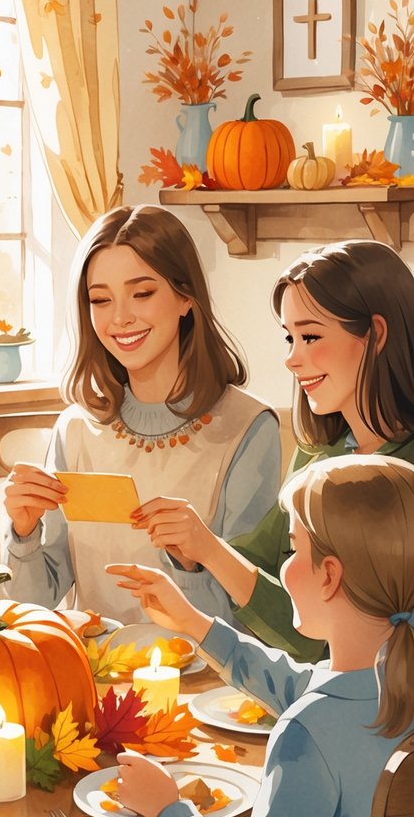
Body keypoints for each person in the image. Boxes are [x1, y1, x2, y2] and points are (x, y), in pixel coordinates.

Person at [81, 455, 414, 817]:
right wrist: (194, 622)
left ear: (329, 575)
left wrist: (170, 811)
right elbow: (299, 682)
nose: (284, 567)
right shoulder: (388, 686)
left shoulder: (309, 733)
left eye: (292, 551)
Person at [1, 205, 281, 629]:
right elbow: (33, 605)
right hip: (96, 677)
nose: (119, 318)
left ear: (186, 297)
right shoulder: (75, 429)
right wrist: (23, 534)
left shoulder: (249, 428)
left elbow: (254, 619)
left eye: (143, 293)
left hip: (208, 689)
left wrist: (193, 564)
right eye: (100, 299)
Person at [135, 238, 414, 660]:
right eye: (290, 338)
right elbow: (257, 563)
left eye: (311, 336)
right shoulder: (319, 454)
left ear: (375, 334)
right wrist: (194, 553)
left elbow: (318, 640)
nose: (292, 359)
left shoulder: (401, 477)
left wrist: (210, 551)